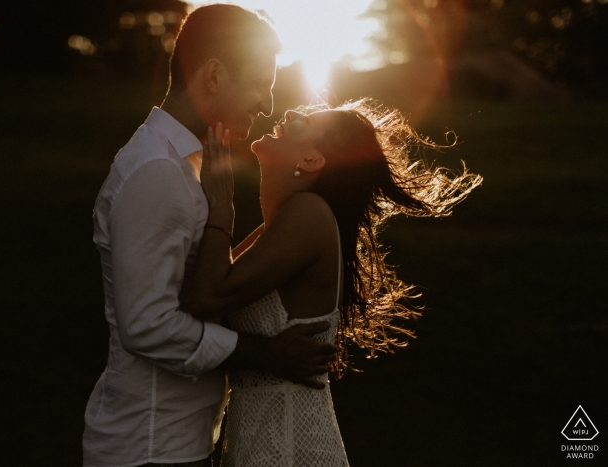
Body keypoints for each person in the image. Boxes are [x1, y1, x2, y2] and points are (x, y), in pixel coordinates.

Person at [82, 5, 336, 467]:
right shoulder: (158, 172)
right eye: (260, 83)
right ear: (215, 76)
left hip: (176, 442)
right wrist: (266, 354)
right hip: (151, 445)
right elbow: (148, 325)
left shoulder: (185, 165)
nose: (268, 105)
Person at [189, 101, 483, 466]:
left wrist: (221, 205)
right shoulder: (280, 227)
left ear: (312, 161)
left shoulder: (308, 214)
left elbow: (208, 295)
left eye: (303, 125)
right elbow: (202, 297)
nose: (289, 116)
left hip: (291, 444)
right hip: (266, 438)